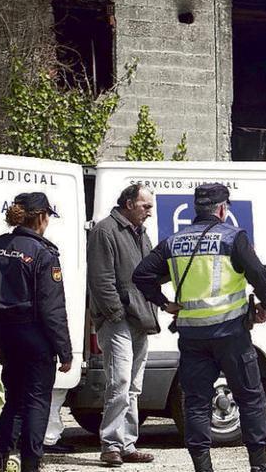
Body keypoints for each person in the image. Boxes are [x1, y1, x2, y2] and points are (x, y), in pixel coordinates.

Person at [133, 183, 266, 472]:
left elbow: (141, 275)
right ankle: (259, 465)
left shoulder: (174, 242)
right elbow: (261, 279)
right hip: (231, 335)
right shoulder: (233, 237)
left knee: (197, 404)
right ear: (222, 209)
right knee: (250, 397)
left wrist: (164, 303)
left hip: (193, 337)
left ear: (196, 209)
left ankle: (203, 467)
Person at [0, 192, 73, 472]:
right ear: (42, 217)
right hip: (35, 337)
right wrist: (65, 351)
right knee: (36, 403)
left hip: (6, 335)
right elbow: (52, 309)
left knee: (14, 400)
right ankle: (31, 464)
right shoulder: (44, 253)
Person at [87, 183, 159, 466]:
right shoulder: (106, 230)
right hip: (119, 321)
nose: (150, 212)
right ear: (129, 203)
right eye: (146, 206)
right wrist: (117, 314)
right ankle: (111, 445)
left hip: (140, 319)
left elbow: (148, 275)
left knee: (133, 386)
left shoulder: (141, 233)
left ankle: (127, 443)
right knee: (119, 381)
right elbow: (101, 280)